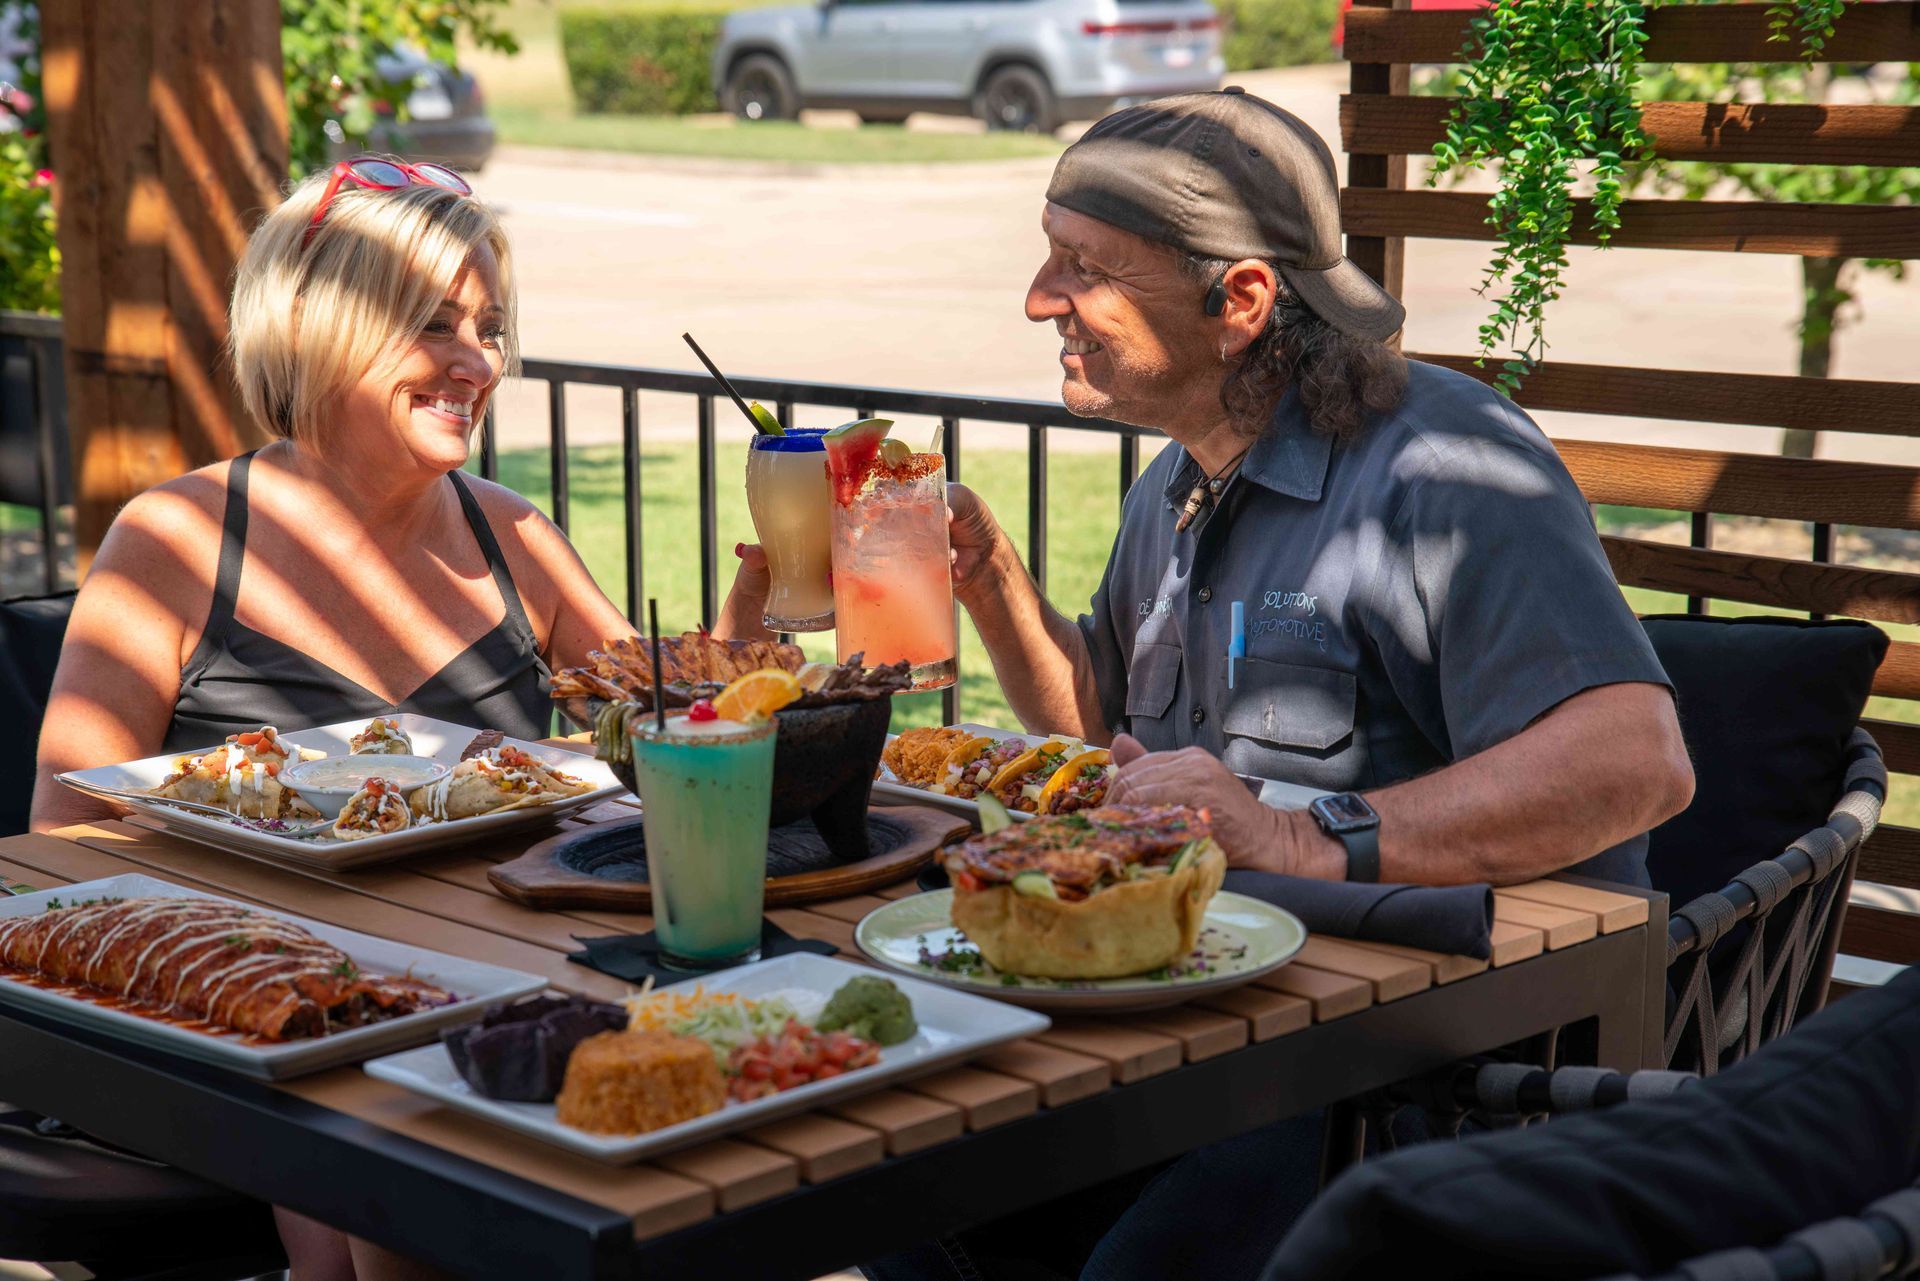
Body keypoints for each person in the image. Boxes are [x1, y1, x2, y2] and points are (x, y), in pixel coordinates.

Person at [719, 89, 1695, 1278]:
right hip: (1192, 1035)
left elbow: (1634, 762)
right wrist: (999, 591)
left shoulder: (1448, 464)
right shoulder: (1177, 481)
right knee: (888, 1188)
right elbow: (1108, 740)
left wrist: (1301, 837)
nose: (1037, 300)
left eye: (1082, 268)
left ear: (1239, 302)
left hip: (1416, 1076)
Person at [30, 156, 633, 1280]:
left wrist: (743, 639)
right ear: (311, 325)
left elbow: (662, 740)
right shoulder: (175, 539)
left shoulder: (517, 538)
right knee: (393, 1192)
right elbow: (63, 850)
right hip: (237, 1000)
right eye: (433, 324)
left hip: (488, 988)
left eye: (489, 327)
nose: (476, 361)